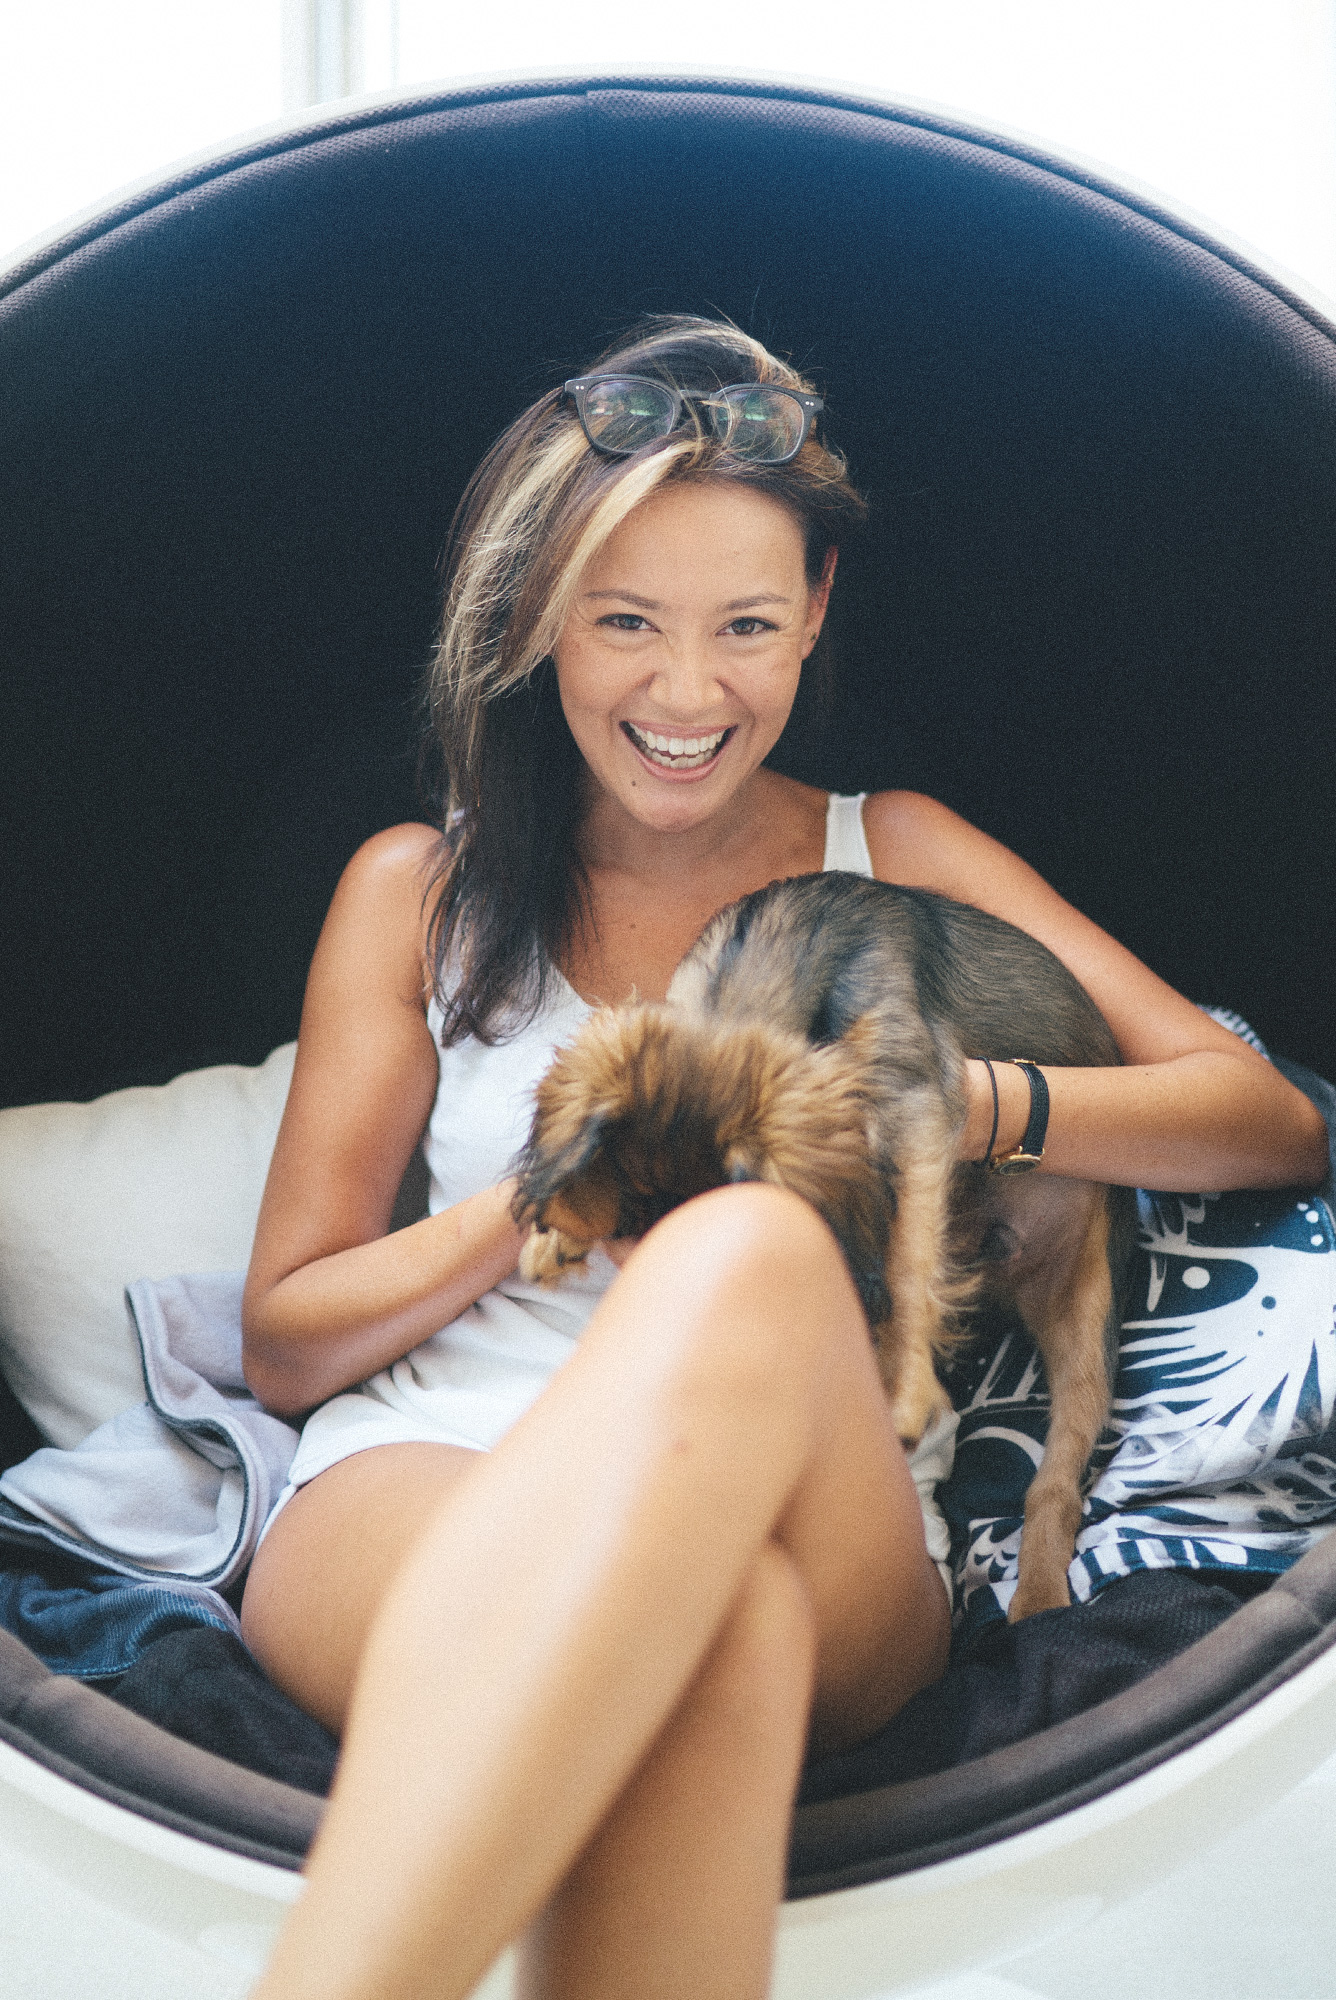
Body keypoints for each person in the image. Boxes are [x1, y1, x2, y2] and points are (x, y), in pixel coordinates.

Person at [239, 317, 1327, 2000]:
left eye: (745, 627)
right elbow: (289, 1338)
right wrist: (567, 1184)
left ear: (814, 615)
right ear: (539, 619)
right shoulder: (416, 895)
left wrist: (961, 1104)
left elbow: (1266, 1121)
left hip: (827, 1498)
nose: (689, 696)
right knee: (714, 1643)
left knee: (744, 1254)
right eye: (626, 623)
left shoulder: (894, 849)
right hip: (436, 1458)